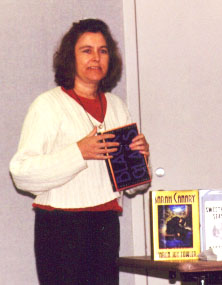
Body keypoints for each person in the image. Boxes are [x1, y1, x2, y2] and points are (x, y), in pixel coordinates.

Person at [9, 18, 149, 285]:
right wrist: (78, 153)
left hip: (107, 224)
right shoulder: (47, 105)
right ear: (70, 58)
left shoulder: (118, 106)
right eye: (86, 50)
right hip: (61, 228)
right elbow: (21, 173)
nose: (96, 57)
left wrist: (140, 158)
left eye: (103, 50)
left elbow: (132, 187)